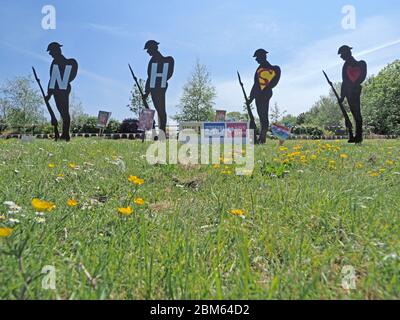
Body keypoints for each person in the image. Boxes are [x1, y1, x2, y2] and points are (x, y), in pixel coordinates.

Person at [45, 42, 78, 142]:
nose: (50, 54)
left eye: (51, 51)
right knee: (63, 112)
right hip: (58, 89)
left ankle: (65, 135)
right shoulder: (56, 61)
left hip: (60, 89)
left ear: (56, 50)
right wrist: (50, 93)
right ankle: (64, 134)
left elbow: (53, 78)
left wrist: (49, 94)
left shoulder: (59, 62)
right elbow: (53, 78)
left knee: (64, 112)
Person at [249, 49, 281, 144]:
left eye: (257, 57)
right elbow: (256, 84)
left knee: (263, 116)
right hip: (263, 93)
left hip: (262, 94)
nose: (256, 60)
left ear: (263, 56)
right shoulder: (262, 69)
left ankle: (262, 139)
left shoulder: (266, 69)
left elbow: (257, 85)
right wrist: (251, 97)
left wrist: (251, 98)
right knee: (262, 115)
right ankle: (261, 138)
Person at [143, 40, 174, 137]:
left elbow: (164, 76)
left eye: (148, 49)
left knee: (161, 111)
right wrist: (146, 92)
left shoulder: (166, 60)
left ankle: (162, 133)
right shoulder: (152, 61)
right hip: (153, 89)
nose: (147, 52)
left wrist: (147, 91)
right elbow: (150, 77)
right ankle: (155, 132)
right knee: (158, 110)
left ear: (153, 48)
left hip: (159, 89)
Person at [338, 45, 367, 144]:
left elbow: (356, 80)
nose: (341, 57)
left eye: (342, 54)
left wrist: (351, 89)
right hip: (349, 93)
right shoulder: (345, 66)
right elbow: (344, 82)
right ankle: (356, 136)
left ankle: (358, 136)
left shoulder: (360, 64)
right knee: (355, 114)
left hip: (354, 91)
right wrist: (342, 96)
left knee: (357, 113)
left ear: (347, 53)